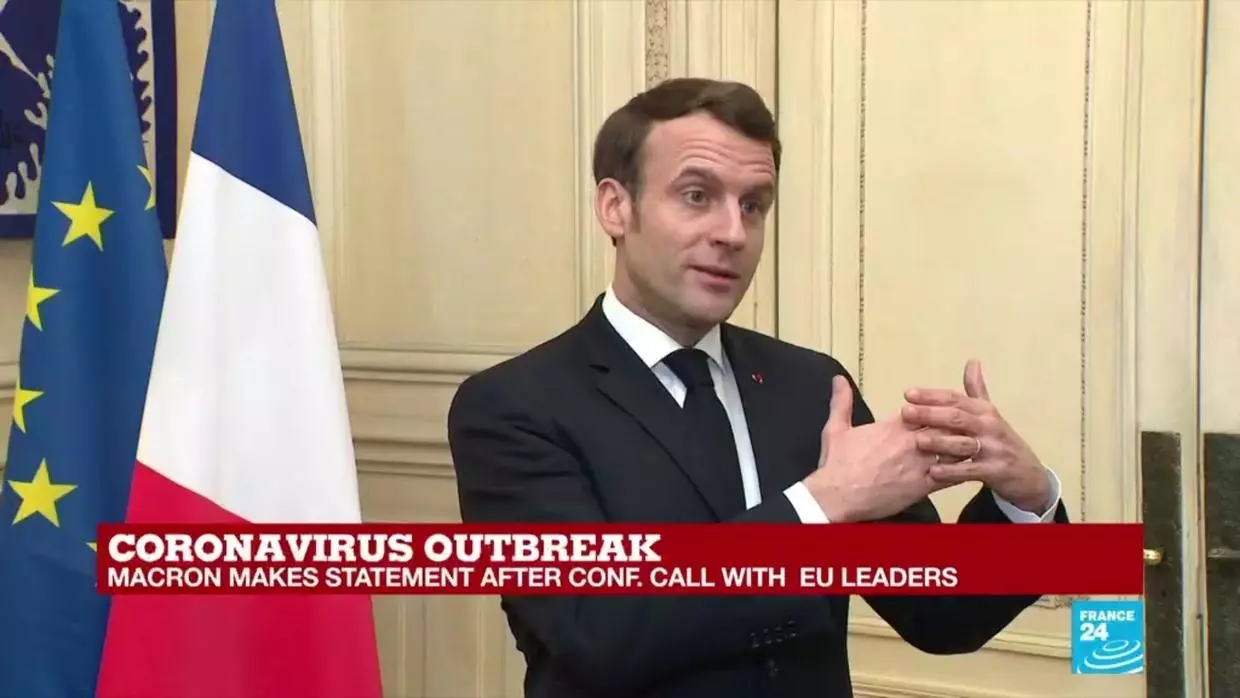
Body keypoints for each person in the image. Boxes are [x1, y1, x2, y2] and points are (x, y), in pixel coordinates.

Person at [447, 77, 1070, 698]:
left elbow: (943, 617)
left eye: (753, 205)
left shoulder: (811, 388)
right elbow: (595, 635)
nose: (733, 233)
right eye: (696, 196)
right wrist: (820, 506)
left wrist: (1026, 499)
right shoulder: (513, 409)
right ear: (616, 207)